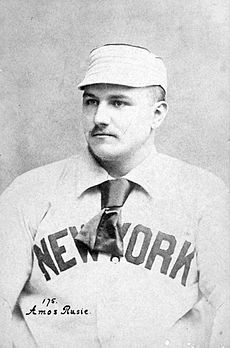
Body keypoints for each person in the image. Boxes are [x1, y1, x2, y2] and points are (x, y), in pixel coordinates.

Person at [0, 43, 229, 348]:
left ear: (157, 114)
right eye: (91, 101)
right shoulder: (29, 192)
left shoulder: (204, 195)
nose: (99, 118)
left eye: (118, 103)